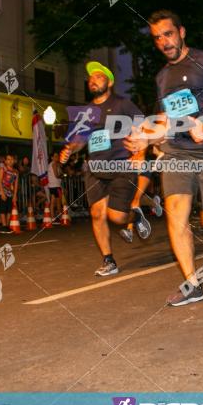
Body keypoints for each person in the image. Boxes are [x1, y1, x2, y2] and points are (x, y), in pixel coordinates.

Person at [125, 9, 203, 306]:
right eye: (157, 38)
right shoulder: (161, 77)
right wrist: (144, 138)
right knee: (176, 214)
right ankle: (193, 284)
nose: (163, 42)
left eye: (168, 34)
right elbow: (165, 118)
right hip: (178, 152)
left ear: (181, 33)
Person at [61, 61, 151, 277]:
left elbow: (144, 125)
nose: (93, 81)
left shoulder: (123, 104)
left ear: (109, 82)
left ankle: (135, 217)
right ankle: (108, 260)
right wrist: (71, 149)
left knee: (117, 217)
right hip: (95, 168)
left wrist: (140, 152)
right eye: (90, 79)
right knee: (96, 214)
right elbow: (81, 139)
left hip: (121, 165)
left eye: (98, 77)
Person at [0, 154, 19, 227]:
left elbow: (16, 184)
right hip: (2, 190)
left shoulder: (16, 171)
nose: (10, 161)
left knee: (9, 208)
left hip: (10, 192)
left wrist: (15, 195)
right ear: (5, 161)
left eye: (12, 159)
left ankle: (8, 224)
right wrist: (2, 193)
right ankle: (4, 224)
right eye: (8, 159)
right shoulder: (3, 169)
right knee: (3, 208)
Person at [48, 152, 63, 220]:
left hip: (54, 185)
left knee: (55, 201)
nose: (57, 157)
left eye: (57, 156)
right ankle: (58, 216)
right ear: (52, 157)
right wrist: (62, 175)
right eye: (55, 156)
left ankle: (53, 216)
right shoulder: (54, 164)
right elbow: (56, 175)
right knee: (57, 201)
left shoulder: (55, 164)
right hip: (55, 185)